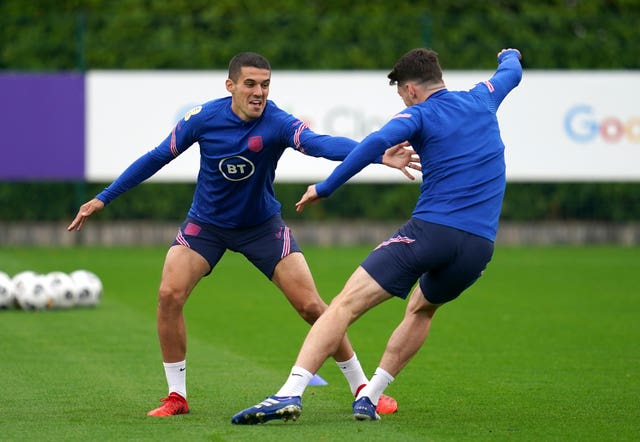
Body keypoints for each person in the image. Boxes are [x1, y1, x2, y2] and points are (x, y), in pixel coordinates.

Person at [68, 52, 419, 417]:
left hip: (261, 227)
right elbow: (157, 157)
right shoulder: (203, 118)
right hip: (206, 226)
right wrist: (102, 199)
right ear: (230, 85)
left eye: (265, 84)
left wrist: (377, 156)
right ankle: (176, 396)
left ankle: (363, 387)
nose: (259, 92)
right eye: (250, 84)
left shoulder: (278, 121)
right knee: (169, 294)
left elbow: (321, 144)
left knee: (313, 307)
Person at [231, 47, 522, 424]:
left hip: (431, 232)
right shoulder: (483, 97)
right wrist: (509, 54)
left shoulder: (418, 113)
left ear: (412, 90)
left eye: (401, 92)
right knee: (422, 308)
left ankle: (289, 393)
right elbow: (512, 72)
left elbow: (372, 144)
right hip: (479, 247)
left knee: (343, 305)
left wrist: (327, 186)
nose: (402, 99)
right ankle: (370, 396)